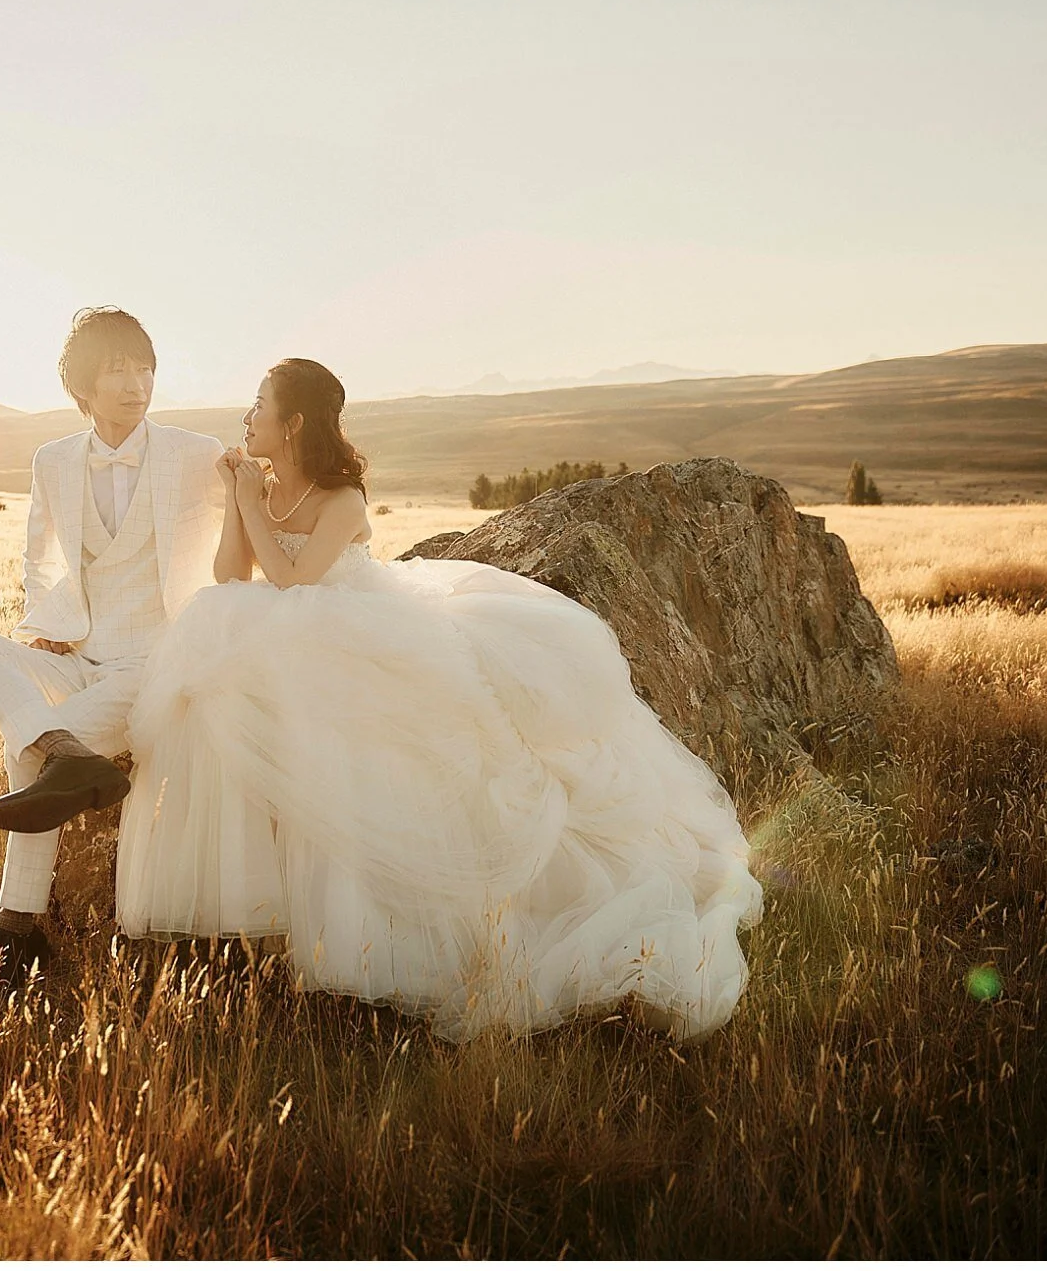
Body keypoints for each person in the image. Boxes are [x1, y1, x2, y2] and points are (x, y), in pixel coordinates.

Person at [113, 358, 765, 1043]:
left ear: (294, 422)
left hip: (356, 637)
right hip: (297, 637)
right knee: (216, 638)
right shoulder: (264, 486)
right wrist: (240, 504)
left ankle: (372, 940)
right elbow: (229, 575)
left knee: (368, 753)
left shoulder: (343, 500)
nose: (247, 418)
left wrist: (247, 503)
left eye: (259, 404)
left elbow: (293, 581)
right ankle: (267, 911)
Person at [0, 307, 225, 1006]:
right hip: (79, 652)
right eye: (117, 370)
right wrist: (48, 626)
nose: (136, 383)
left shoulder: (197, 452)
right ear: (83, 388)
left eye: (144, 365)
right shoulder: (54, 460)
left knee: (30, 757)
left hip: (151, 665)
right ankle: (65, 748)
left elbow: (259, 509)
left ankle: (16, 928)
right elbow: (37, 555)